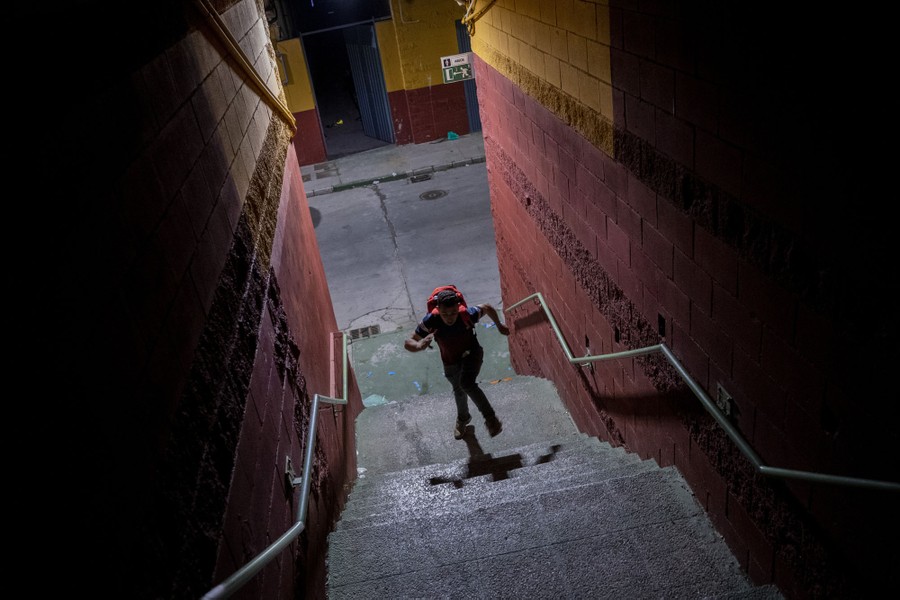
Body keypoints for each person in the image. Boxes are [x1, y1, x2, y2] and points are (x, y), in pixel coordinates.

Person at [404, 288, 510, 439]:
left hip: (472, 354)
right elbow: (409, 342)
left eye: (453, 312)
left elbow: (486, 307)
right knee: (459, 390)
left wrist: (499, 325)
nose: (449, 317)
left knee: (466, 383)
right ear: (438, 309)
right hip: (450, 361)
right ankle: (463, 419)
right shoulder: (431, 320)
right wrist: (419, 346)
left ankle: (491, 420)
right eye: (445, 313)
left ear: (458, 307)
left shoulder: (466, 315)